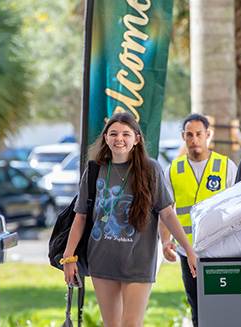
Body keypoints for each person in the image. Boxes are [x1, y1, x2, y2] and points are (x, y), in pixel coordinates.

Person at [62, 112, 197, 327]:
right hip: (102, 259)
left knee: (132, 324)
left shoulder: (150, 169)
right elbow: (81, 217)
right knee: (112, 325)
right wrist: (68, 257)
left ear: (136, 139)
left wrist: (189, 250)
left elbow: (167, 213)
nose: (119, 139)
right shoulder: (95, 169)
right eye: (113, 133)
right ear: (105, 138)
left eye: (126, 134)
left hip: (138, 261)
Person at [159, 113, 237, 327]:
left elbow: (239, 208)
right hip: (188, 250)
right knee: (197, 307)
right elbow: (165, 211)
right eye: (190, 135)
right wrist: (166, 241)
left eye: (199, 134)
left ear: (208, 135)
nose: (194, 139)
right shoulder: (173, 170)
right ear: (183, 136)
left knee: (223, 304)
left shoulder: (226, 166)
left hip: (220, 248)